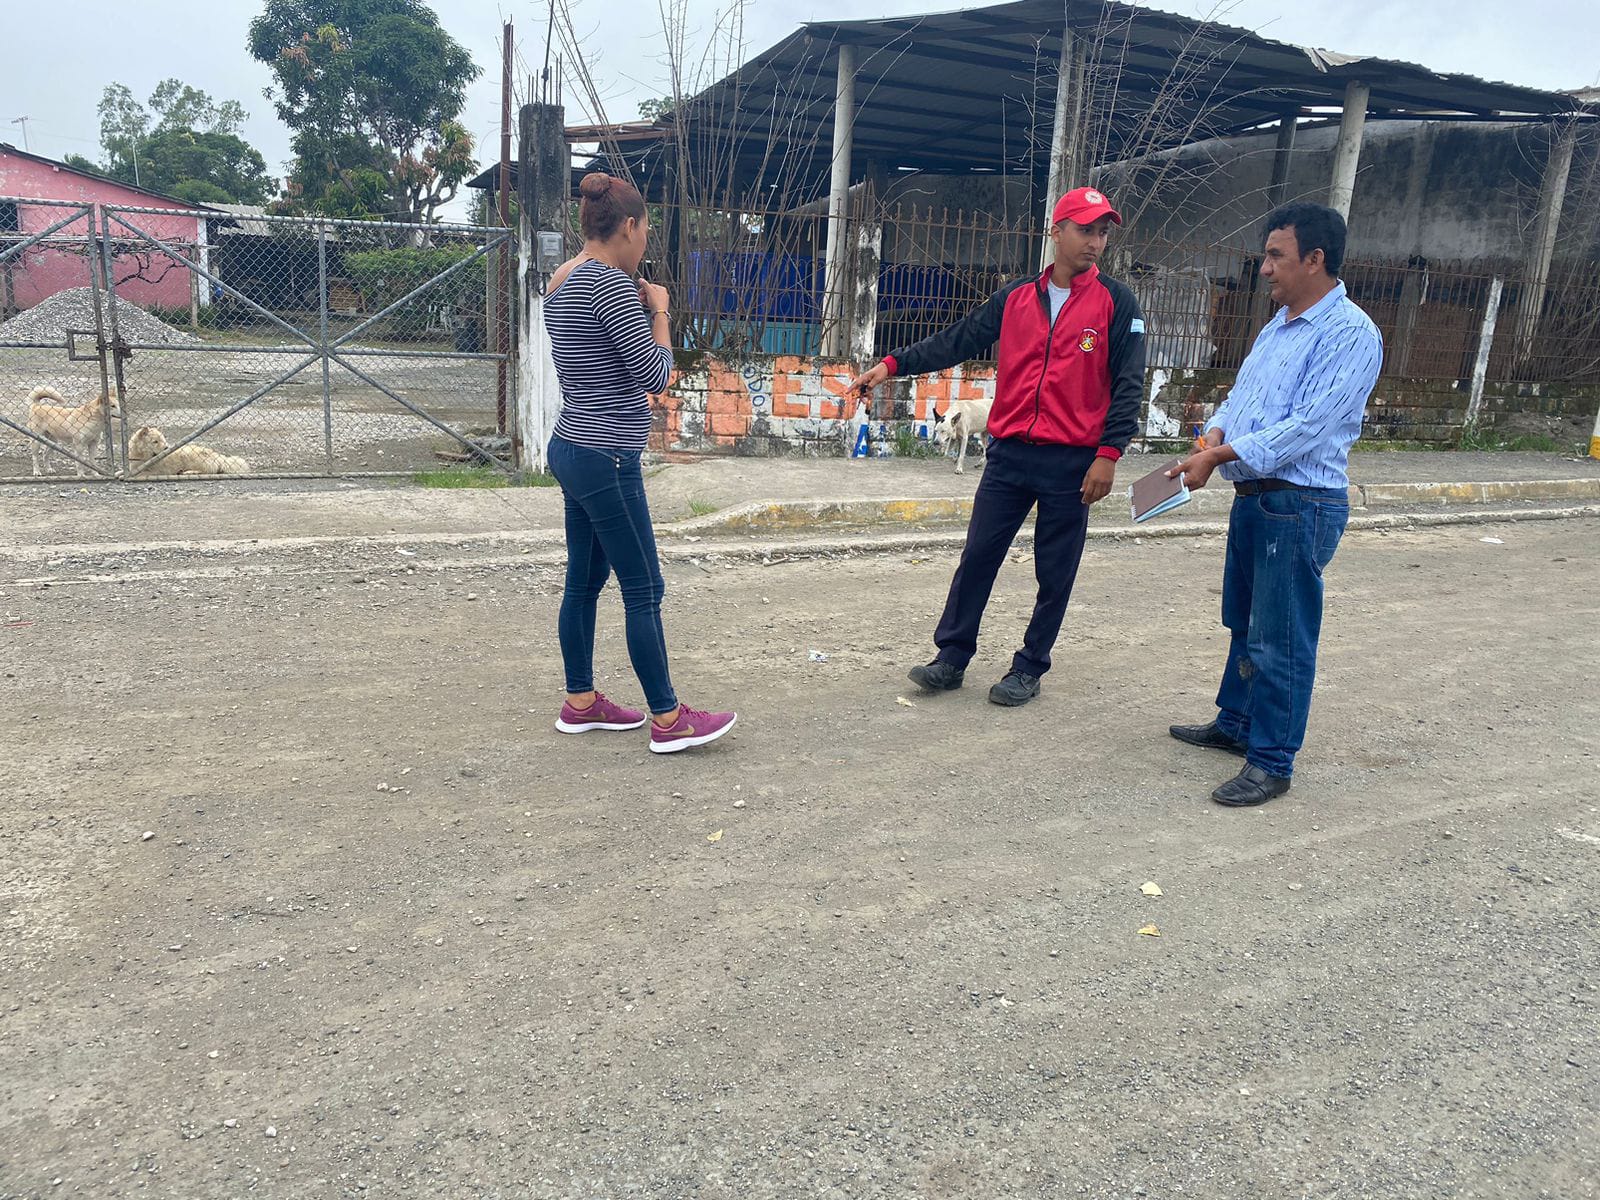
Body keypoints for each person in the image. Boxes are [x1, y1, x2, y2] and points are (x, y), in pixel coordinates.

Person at [849, 187, 1146, 707]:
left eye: (1102, 232)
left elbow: (1128, 383)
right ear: (1057, 231)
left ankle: (1029, 666)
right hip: (1009, 454)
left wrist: (1109, 454)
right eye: (1085, 230)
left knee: (1055, 570)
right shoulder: (1016, 298)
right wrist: (891, 365)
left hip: (1072, 461)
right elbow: (957, 339)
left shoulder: (1117, 302)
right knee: (979, 556)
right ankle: (951, 657)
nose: (1095, 242)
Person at [1166, 202, 1382, 806]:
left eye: (1275, 256)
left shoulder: (1351, 335)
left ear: (1315, 259)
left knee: (1281, 637)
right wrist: (1214, 435)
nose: (1263, 268)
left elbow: (1305, 429)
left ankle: (1272, 761)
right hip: (1256, 499)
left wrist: (1220, 453)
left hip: (1300, 503)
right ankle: (1236, 723)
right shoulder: (1277, 327)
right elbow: (1243, 398)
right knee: (1244, 622)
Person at [543, 172, 736, 754]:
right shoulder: (614, 289)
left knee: (584, 581)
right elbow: (655, 376)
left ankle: (581, 702)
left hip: (571, 446)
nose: (646, 240)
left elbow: (595, 361)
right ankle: (669, 719)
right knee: (644, 586)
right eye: (646, 229)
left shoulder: (562, 279)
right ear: (628, 226)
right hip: (608, 456)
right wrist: (661, 312)